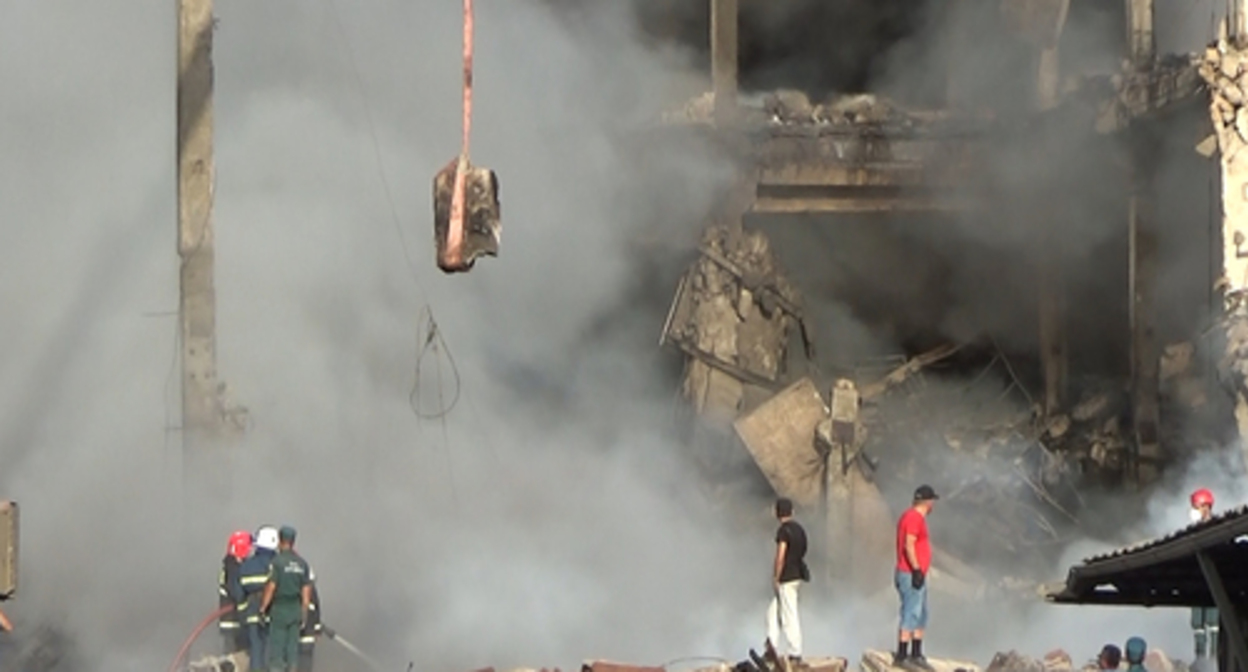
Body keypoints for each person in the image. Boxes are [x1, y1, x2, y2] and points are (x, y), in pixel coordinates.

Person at [894, 485, 938, 671]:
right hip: (910, 572)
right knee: (911, 612)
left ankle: (916, 652)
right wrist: (917, 569)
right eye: (933, 501)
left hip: (915, 572)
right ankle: (902, 654)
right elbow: (909, 544)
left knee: (921, 614)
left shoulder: (914, 517)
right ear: (928, 502)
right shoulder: (914, 517)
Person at [262, 525, 312, 672]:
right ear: (293, 542)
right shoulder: (302, 564)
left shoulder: (277, 562)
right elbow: (306, 590)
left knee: (277, 649)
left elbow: (271, 587)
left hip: (280, 609)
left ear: (280, 540)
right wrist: (304, 613)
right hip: (295, 610)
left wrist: (263, 608)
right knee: (292, 650)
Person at [766, 498, 808, 664]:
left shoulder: (784, 531)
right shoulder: (800, 530)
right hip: (797, 574)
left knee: (789, 614)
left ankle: (795, 652)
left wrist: (776, 576)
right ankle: (771, 647)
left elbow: (780, 556)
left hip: (786, 577)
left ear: (777, 513)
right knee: (772, 613)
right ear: (792, 512)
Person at [240, 525, 280, 670]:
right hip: (276, 613)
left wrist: (242, 611)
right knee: (274, 650)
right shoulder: (279, 564)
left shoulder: (247, 565)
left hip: (253, 613)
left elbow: (239, 592)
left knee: (256, 649)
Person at [1189, 488, 1219, 664]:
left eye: (1196, 506)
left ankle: (1214, 657)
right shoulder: (1193, 530)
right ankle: (1200, 658)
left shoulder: (1215, 529)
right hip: (1196, 582)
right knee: (1197, 624)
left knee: (1212, 623)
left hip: (1212, 582)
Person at [218, 530, 252, 655]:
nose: (250, 551)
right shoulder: (232, 568)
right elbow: (236, 592)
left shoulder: (231, 565)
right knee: (234, 660)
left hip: (233, 622)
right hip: (233, 622)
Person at [297, 566, 323, 672]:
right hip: (307, 635)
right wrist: (317, 630)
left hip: (299, 635)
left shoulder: (295, 591)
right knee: (305, 663)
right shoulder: (312, 593)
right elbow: (316, 612)